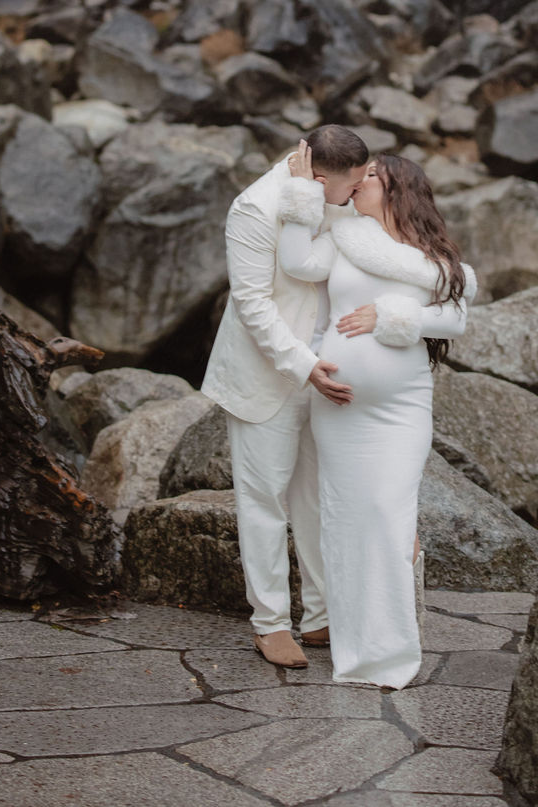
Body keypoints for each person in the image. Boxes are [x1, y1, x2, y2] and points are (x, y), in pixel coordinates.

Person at [277, 147, 475, 689]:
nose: (360, 180)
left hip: (400, 409)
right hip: (338, 410)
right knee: (344, 523)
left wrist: (395, 316)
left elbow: (456, 317)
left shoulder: (430, 261)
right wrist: (300, 192)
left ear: (397, 189)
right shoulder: (341, 236)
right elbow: (295, 261)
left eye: (370, 175)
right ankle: (356, 645)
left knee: (389, 515)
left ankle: (389, 651)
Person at [201, 123, 369, 670]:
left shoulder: (329, 195)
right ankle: (270, 623)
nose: (356, 194)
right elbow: (252, 304)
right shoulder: (253, 208)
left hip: (331, 373)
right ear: (319, 178)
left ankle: (320, 616)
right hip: (269, 376)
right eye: (349, 187)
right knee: (265, 503)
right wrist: (304, 366)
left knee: (318, 499)